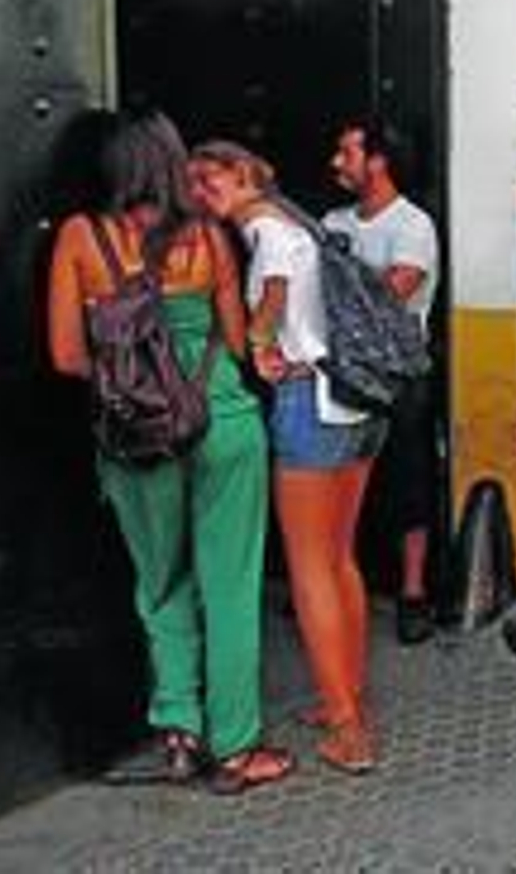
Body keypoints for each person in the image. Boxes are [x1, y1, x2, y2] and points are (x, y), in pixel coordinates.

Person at [46, 110, 292, 794]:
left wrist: (133, 374)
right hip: (223, 422)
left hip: (137, 434)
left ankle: (179, 730)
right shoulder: (210, 237)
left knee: (161, 584)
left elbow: (67, 355)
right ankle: (237, 749)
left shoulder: (80, 237)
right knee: (231, 585)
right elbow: (242, 345)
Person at [189, 140, 387, 774]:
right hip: (358, 400)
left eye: (211, 176)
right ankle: (345, 699)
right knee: (339, 558)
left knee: (309, 570)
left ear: (248, 174)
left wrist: (257, 340)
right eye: (190, 179)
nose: (199, 188)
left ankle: (349, 731)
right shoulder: (302, 223)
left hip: (309, 401)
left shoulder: (267, 229)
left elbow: (273, 292)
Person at [324, 119, 442, 646]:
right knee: (339, 478)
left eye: (346, 152)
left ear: (377, 161)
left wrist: (343, 281)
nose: (336, 162)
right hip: (344, 372)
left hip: (399, 375)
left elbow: (391, 296)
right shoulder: (333, 220)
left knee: (408, 478)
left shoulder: (413, 226)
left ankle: (412, 591)